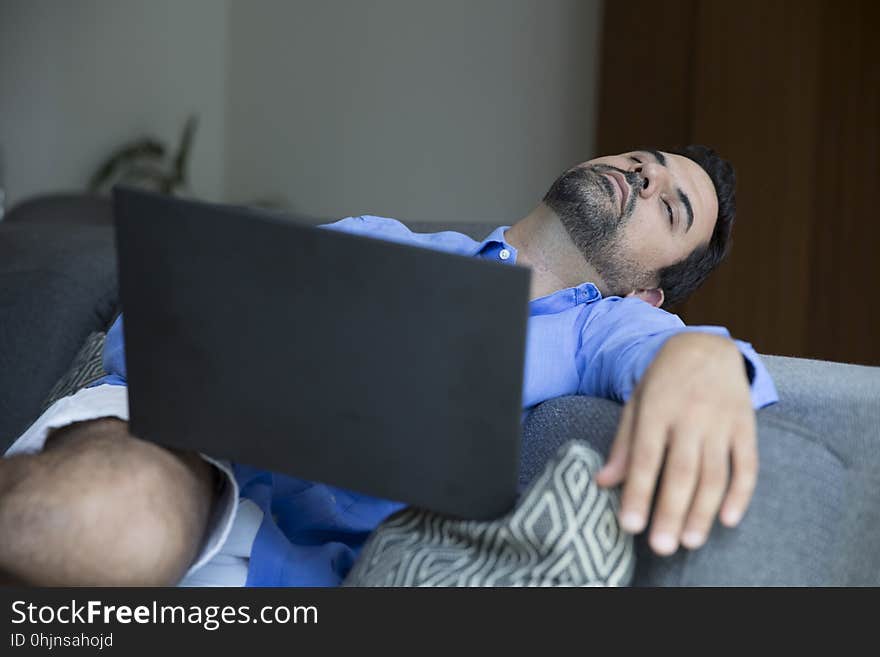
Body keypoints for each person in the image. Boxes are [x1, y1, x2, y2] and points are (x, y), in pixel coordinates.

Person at [0, 145, 777, 586]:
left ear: (649, 293)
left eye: (669, 206)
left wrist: (704, 359)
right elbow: (159, 329)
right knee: (107, 521)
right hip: (168, 445)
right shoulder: (375, 235)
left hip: (278, 566)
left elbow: (660, 352)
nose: (644, 177)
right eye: (645, 161)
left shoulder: (599, 332)